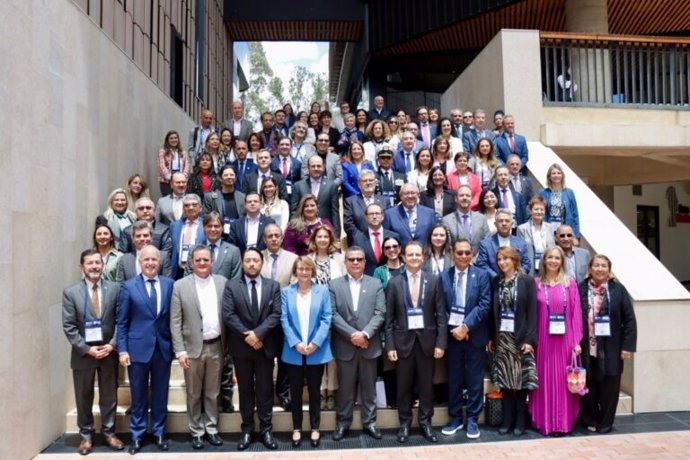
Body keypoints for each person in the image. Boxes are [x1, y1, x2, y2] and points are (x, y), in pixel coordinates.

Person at [62, 249, 123, 455]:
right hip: (83, 355)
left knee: (109, 396)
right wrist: (88, 349)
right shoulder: (71, 293)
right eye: (90, 263)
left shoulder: (115, 289)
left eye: (98, 263)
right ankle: (86, 436)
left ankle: (109, 433)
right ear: (82, 267)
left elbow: (120, 321)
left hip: (108, 353)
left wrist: (113, 345)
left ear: (103, 265)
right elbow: (69, 327)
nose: (95, 267)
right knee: (83, 396)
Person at [385, 241, 447, 443]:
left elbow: (440, 316)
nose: (413, 258)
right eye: (410, 254)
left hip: (427, 344)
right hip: (403, 344)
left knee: (426, 386)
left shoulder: (434, 280)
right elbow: (389, 319)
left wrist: (440, 343)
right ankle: (404, 424)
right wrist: (391, 345)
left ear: (423, 257)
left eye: (417, 255)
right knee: (403, 386)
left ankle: (426, 423)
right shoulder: (395, 282)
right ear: (403, 257)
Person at [223, 248, 282, 450]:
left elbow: (276, 314)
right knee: (246, 391)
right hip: (242, 348)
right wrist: (248, 336)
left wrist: (258, 334)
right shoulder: (231, 286)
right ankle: (247, 429)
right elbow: (229, 315)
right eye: (248, 260)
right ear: (242, 262)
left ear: (261, 262)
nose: (251, 264)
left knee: (265, 391)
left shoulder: (273, 286)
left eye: (255, 260)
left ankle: (266, 430)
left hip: (265, 347)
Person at [117, 245, 174, 454]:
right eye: (146, 259)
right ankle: (137, 435)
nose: (150, 263)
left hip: (162, 348)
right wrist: (122, 349)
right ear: (140, 262)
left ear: (159, 262)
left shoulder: (169, 284)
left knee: (161, 393)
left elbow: (172, 319)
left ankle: (159, 432)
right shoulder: (129, 286)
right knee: (138, 394)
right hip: (137, 349)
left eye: (154, 259)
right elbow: (122, 322)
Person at [170, 245, 227, 450]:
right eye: (198, 260)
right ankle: (196, 431)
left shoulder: (222, 283)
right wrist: (180, 351)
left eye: (206, 259)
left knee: (212, 392)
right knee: (194, 393)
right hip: (192, 348)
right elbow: (175, 321)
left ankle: (211, 429)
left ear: (212, 261)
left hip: (216, 346)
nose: (202, 263)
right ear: (191, 262)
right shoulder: (180, 286)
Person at [330, 246, 386, 441]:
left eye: (359, 259)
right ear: (345, 263)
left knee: (369, 388)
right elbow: (332, 314)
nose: (355, 262)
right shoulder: (334, 285)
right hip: (345, 345)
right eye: (351, 259)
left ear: (365, 262)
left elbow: (380, 313)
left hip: (369, 345)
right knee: (345, 388)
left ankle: (369, 422)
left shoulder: (375, 283)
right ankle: (343, 423)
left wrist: (365, 334)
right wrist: (353, 335)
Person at [578, 254, 637, 434]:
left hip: (612, 347)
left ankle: (605, 423)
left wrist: (627, 347)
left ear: (609, 269)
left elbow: (629, 320)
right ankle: (590, 419)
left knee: (610, 387)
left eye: (604, 266)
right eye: (596, 265)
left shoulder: (618, 290)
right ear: (589, 268)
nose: (600, 269)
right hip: (586, 347)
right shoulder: (580, 289)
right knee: (588, 386)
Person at [439, 239, 491, 439]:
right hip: (453, 338)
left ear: (472, 254)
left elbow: (484, 304)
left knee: (474, 381)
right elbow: (440, 307)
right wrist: (455, 329)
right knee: (453, 379)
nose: (463, 256)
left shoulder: (482, 275)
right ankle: (455, 418)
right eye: (459, 252)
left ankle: (472, 419)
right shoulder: (443, 276)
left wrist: (466, 326)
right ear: (452, 253)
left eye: (467, 252)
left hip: (474, 336)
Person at [529, 246, 583, 436]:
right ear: (543, 261)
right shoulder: (536, 283)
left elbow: (576, 313)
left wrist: (576, 341)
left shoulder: (571, 284)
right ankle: (544, 422)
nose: (553, 261)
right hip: (543, 341)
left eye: (557, 258)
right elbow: (530, 315)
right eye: (549, 257)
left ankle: (562, 423)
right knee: (543, 381)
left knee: (562, 381)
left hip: (565, 341)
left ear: (562, 261)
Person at [280, 256, 334, 448]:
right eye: (301, 269)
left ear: (313, 271)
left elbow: (327, 318)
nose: (304, 272)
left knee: (314, 391)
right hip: (293, 350)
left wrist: (316, 343)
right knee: (295, 391)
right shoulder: (286, 292)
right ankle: (296, 428)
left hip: (316, 350)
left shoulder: (323, 291)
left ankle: (315, 428)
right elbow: (284, 319)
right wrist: (295, 343)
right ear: (295, 271)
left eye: (308, 269)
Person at [488, 246, 538, 437]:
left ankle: (520, 421)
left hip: (521, 338)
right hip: (502, 338)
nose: (502, 262)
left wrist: (530, 339)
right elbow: (493, 313)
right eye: (499, 259)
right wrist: (492, 337)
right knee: (506, 382)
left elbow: (532, 313)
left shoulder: (526, 281)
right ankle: (507, 420)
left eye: (506, 259)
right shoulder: (496, 281)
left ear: (514, 260)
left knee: (521, 382)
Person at [260, 224, 298, 411]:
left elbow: (294, 287)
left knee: (285, 358)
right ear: (264, 239)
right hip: (263, 318)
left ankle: (283, 394)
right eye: (270, 236)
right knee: (265, 358)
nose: (274, 238)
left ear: (282, 238)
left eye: (277, 235)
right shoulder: (257, 258)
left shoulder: (293, 259)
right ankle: (265, 394)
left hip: (285, 316)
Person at [307, 225, 346, 409]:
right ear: (314, 240)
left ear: (330, 240)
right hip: (314, 313)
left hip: (335, 312)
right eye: (319, 236)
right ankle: (321, 391)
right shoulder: (307, 260)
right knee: (318, 352)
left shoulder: (339, 259)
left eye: (326, 237)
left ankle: (332, 391)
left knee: (332, 353)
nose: (322, 240)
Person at [291, 155, 341, 233]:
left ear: (323, 167)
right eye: (313, 166)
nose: (316, 168)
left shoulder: (332, 186)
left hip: (325, 232)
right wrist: (294, 230)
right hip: (303, 231)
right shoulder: (298, 186)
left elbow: (335, 213)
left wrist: (337, 235)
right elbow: (294, 211)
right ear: (308, 168)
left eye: (318, 166)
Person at [475, 209, 531, 277]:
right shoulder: (485, 244)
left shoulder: (521, 243)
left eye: (507, 221)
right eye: (500, 221)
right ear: (495, 224)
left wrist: (515, 277)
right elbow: (482, 264)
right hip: (493, 284)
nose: (504, 223)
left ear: (512, 224)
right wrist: (497, 278)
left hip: (516, 282)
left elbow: (526, 264)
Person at [185, 212, 241, 280]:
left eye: (216, 226)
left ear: (222, 228)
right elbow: (188, 277)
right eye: (209, 226)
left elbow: (236, 280)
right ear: (204, 228)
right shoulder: (193, 250)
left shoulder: (233, 251)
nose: (213, 229)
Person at [350, 203, 399, 276]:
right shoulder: (358, 239)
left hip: (391, 279)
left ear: (382, 216)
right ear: (366, 217)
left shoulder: (394, 237)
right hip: (369, 280)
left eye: (377, 213)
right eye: (371, 214)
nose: (374, 216)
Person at [442, 185, 491, 256]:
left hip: (478, 262)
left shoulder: (482, 218)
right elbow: (447, 247)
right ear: (456, 199)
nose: (465, 198)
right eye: (461, 195)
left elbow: (487, 242)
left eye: (467, 195)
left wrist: (475, 260)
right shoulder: (446, 220)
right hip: (456, 262)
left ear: (471, 198)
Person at [539, 163, 581, 241]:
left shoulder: (569, 192)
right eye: (553, 173)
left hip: (565, 230)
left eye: (559, 173)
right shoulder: (543, 192)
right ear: (549, 176)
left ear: (562, 175)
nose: (556, 175)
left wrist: (576, 234)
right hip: (549, 229)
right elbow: (540, 212)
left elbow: (575, 215)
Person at [343, 169, 390, 236]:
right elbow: (348, 224)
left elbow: (388, 222)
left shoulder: (385, 201)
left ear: (375, 183)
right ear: (359, 184)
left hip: (381, 240)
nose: (368, 183)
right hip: (359, 242)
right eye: (364, 181)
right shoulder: (350, 202)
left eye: (371, 180)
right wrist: (360, 239)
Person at [517, 196, 556, 275]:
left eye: (542, 209)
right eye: (536, 209)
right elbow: (520, 251)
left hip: (548, 267)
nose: (539, 212)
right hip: (531, 268)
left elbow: (553, 248)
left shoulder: (550, 227)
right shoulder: (522, 228)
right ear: (530, 211)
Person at [169, 194, 206, 277]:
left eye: (194, 205)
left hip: (198, 271)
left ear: (200, 208)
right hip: (178, 272)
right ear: (183, 209)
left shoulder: (206, 225)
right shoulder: (174, 226)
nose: (190, 207)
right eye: (187, 205)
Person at [202, 165, 246, 234]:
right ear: (220, 178)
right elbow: (205, 218)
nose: (229, 177)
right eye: (226, 175)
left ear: (235, 177)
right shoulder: (210, 197)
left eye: (232, 175)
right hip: (218, 234)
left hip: (238, 234)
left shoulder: (243, 197)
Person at [270, 136, 302, 206]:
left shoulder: (297, 163)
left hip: (293, 195)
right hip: (276, 195)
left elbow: (300, 180)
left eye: (287, 145)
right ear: (278, 146)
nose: (284, 146)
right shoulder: (271, 163)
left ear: (291, 147)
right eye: (282, 144)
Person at [158, 130, 191, 196]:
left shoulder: (183, 152)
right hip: (166, 181)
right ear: (167, 140)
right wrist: (168, 176)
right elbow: (161, 165)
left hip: (180, 179)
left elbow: (187, 165)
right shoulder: (162, 152)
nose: (174, 140)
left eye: (175, 138)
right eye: (171, 138)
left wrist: (184, 176)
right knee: (168, 199)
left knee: (181, 198)